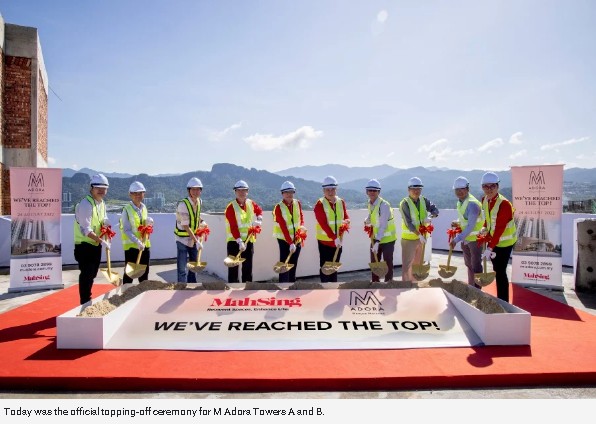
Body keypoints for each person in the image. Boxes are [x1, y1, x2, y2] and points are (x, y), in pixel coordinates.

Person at [73, 173, 111, 305]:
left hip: (95, 245)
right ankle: (85, 301)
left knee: (93, 273)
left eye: (104, 188)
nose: (101, 190)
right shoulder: (85, 204)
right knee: (87, 274)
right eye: (98, 188)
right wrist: (102, 241)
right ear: (91, 188)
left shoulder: (102, 203)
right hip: (84, 245)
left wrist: (106, 224)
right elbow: (86, 229)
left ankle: (87, 299)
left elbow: (102, 219)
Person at [480, 171, 517, 302]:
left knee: (500, 272)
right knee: (496, 270)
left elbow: (500, 229)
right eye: (486, 186)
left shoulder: (505, 204)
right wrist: (484, 227)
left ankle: (503, 301)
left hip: (505, 243)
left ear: (498, 186)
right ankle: (501, 299)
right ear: (482, 187)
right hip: (494, 241)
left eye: (492, 186)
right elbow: (488, 219)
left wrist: (489, 248)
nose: (489, 189)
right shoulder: (484, 199)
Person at [398, 177, 439, 281]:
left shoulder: (423, 200)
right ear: (409, 190)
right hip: (409, 239)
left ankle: (415, 286)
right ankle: (406, 287)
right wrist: (419, 235)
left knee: (417, 264)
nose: (416, 191)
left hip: (421, 239)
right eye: (414, 189)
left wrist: (431, 216)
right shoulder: (405, 203)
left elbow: (435, 209)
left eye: (419, 189)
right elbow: (408, 223)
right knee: (408, 265)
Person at [225, 180, 263, 283]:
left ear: (247, 191)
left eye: (244, 190)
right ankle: (233, 289)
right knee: (233, 269)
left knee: (247, 267)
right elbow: (233, 226)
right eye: (239, 190)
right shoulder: (231, 207)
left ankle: (247, 288)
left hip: (248, 240)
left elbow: (259, 210)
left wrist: (259, 219)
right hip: (234, 241)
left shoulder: (250, 203)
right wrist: (239, 241)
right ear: (235, 192)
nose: (242, 192)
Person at [314, 176, 350, 282]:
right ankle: (325, 289)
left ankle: (333, 287)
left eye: (332, 189)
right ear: (323, 190)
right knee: (325, 267)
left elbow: (346, 216)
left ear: (336, 189)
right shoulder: (319, 204)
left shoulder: (341, 202)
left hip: (338, 241)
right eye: (327, 190)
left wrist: (347, 221)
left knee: (334, 267)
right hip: (325, 242)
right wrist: (334, 237)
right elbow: (324, 224)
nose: (330, 192)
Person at [449, 176, 483, 288]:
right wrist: (457, 222)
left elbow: (470, 226)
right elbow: (465, 220)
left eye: (462, 189)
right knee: (469, 265)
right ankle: (471, 286)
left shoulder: (473, 204)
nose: (459, 192)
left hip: (475, 240)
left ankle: (478, 290)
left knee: (476, 266)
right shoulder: (460, 202)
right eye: (457, 190)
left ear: (468, 189)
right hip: (466, 239)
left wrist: (456, 239)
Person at [364, 179, 397, 282]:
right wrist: (367, 220)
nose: (372, 192)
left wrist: (377, 242)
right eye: (370, 190)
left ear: (379, 192)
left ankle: (388, 283)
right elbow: (372, 214)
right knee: (375, 263)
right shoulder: (370, 203)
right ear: (367, 192)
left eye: (375, 190)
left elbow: (383, 225)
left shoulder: (384, 205)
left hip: (387, 240)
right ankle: (375, 283)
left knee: (388, 263)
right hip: (375, 238)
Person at [273, 181, 306, 283]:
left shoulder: (297, 203)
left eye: (291, 192)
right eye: (286, 192)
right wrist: (290, 242)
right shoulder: (278, 207)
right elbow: (283, 226)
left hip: (297, 238)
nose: (289, 194)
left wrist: (301, 228)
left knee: (293, 262)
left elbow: (301, 217)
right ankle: (283, 285)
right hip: (284, 239)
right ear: (282, 194)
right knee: (284, 263)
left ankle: (292, 284)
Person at [174, 177, 205, 283]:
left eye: (198, 189)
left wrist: (202, 222)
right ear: (189, 190)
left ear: (201, 190)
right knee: (182, 267)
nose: (196, 192)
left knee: (194, 265)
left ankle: (192, 286)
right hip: (182, 239)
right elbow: (186, 226)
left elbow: (195, 216)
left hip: (193, 239)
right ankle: (181, 287)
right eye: (193, 189)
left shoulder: (199, 201)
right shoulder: (183, 204)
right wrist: (197, 242)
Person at [120, 181, 151, 285]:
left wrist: (150, 224)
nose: (138, 196)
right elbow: (126, 230)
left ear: (144, 194)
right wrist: (138, 242)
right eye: (135, 193)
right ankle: (125, 295)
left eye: (140, 193)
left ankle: (143, 294)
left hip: (145, 246)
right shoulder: (126, 210)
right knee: (129, 274)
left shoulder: (144, 208)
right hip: (132, 248)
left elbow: (144, 227)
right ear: (130, 194)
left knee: (144, 273)